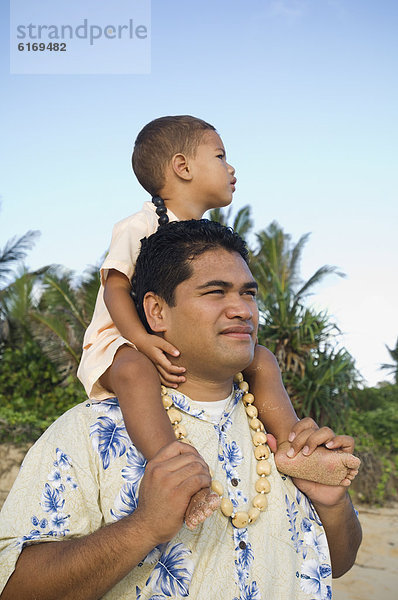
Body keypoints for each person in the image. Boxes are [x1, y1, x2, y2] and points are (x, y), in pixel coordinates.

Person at [0, 220, 362, 600]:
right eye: (215, 292)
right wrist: (142, 528)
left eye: (249, 294)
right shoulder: (90, 431)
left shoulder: (282, 435)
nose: (242, 309)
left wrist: (332, 504)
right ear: (156, 311)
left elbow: (337, 562)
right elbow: (13, 588)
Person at [76, 115, 359, 528]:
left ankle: (298, 448)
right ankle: (177, 473)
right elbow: (115, 289)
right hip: (121, 340)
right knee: (135, 371)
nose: (231, 168)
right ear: (182, 166)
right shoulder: (137, 227)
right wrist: (140, 338)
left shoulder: (210, 237)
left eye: (246, 293)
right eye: (221, 155)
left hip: (170, 340)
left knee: (260, 359)